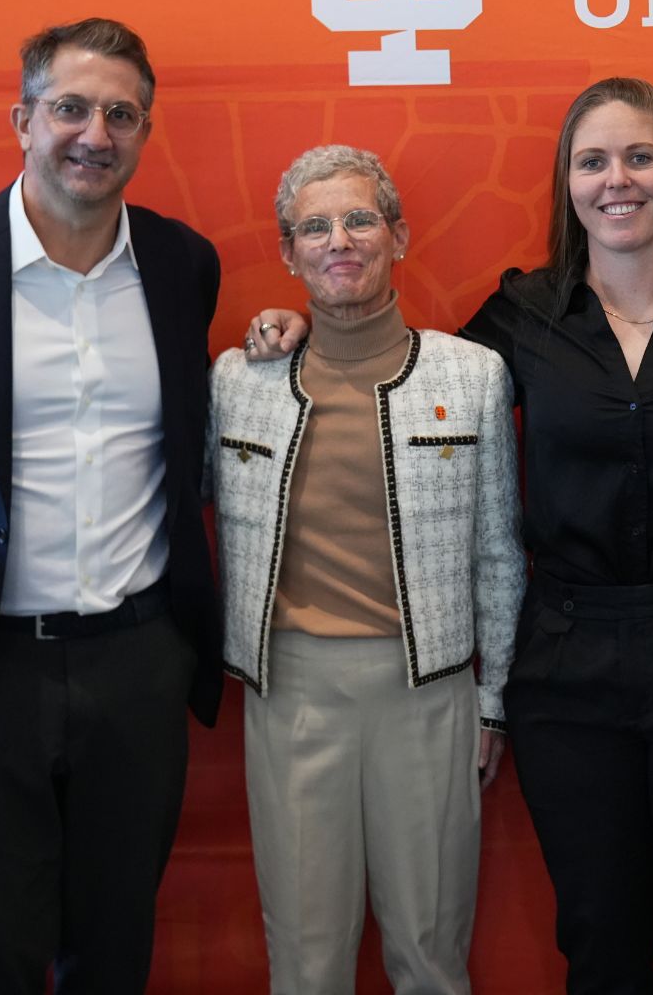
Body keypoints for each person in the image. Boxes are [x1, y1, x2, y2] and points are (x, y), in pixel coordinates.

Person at [248, 76, 653, 995]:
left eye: (639, 155)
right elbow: (405, 384)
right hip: (569, 669)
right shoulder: (520, 318)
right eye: (593, 161)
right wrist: (309, 323)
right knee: (599, 944)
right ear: (567, 183)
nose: (616, 180)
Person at [0, 19, 222, 992]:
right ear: (22, 118)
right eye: (70, 108)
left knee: (114, 947)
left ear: (145, 132)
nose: (95, 133)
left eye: (121, 114)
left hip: (136, 663)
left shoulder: (181, 266)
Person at [211, 144, 523, 994]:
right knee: (306, 959)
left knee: (429, 951)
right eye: (314, 227)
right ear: (288, 253)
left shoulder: (473, 375)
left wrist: (492, 700)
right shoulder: (240, 381)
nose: (338, 239)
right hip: (292, 693)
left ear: (399, 234)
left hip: (429, 691)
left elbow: (498, 552)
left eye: (358, 219)